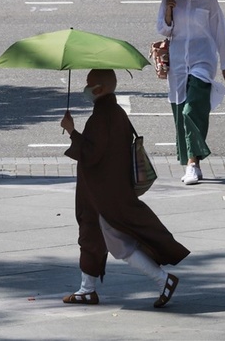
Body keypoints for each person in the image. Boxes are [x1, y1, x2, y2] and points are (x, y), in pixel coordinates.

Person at [60, 69, 190, 308]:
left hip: (103, 196)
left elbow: (91, 153)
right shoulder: (113, 111)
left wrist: (71, 131)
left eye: (89, 84)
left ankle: (162, 280)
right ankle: (87, 289)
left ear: (100, 89)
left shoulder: (103, 116)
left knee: (119, 244)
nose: (86, 88)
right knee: (91, 237)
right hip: (104, 192)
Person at [157, 0, 225, 185]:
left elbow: (221, 31)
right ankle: (192, 162)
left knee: (192, 110)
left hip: (203, 60)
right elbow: (163, 29)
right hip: (179, 61)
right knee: (180, 112)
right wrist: (169, 9)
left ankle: (192, 164)